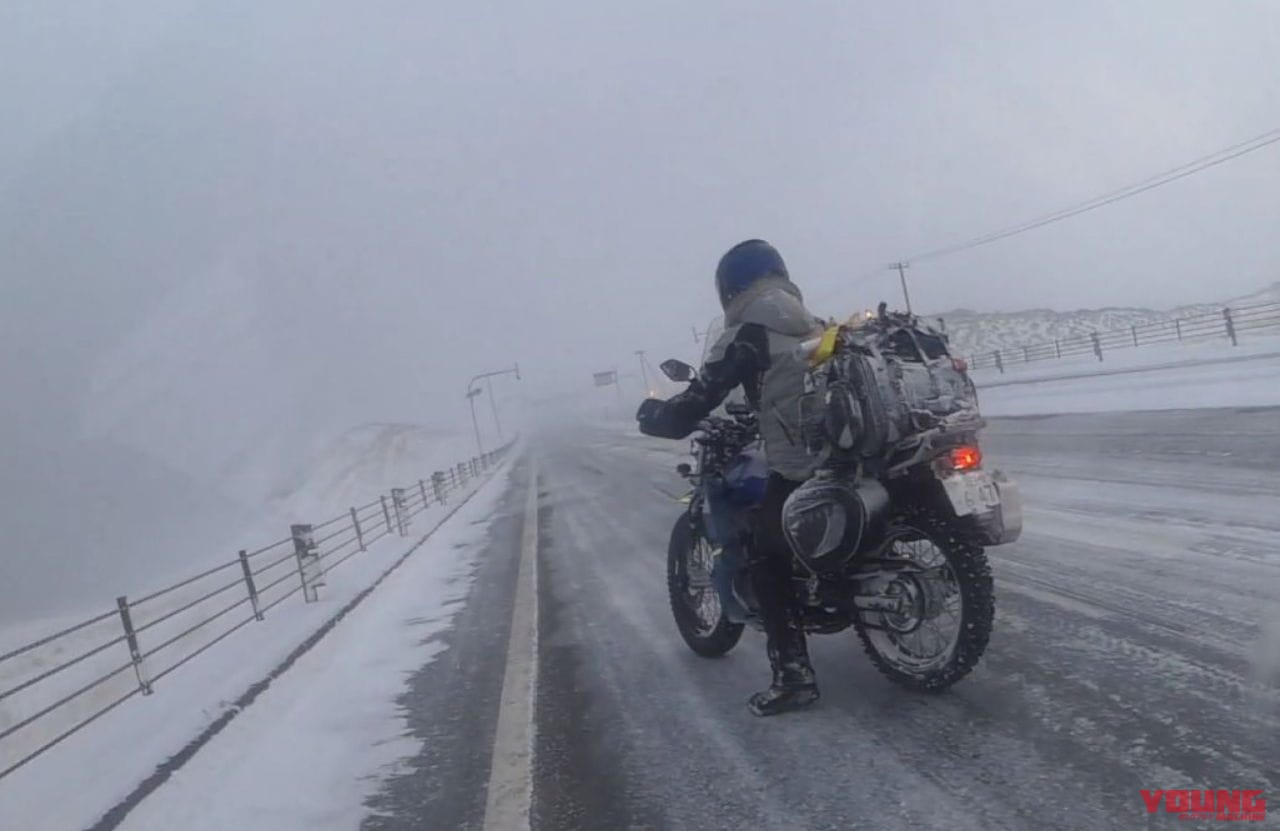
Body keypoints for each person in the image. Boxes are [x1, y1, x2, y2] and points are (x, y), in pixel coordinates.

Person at [636, 239, 826, 716]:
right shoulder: (813, 324)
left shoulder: (748, 333)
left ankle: (793, 676)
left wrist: (655, 416)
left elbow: (698, 400)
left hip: (799, 460)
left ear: (730, 289)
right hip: (839, 453)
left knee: (765, 552)